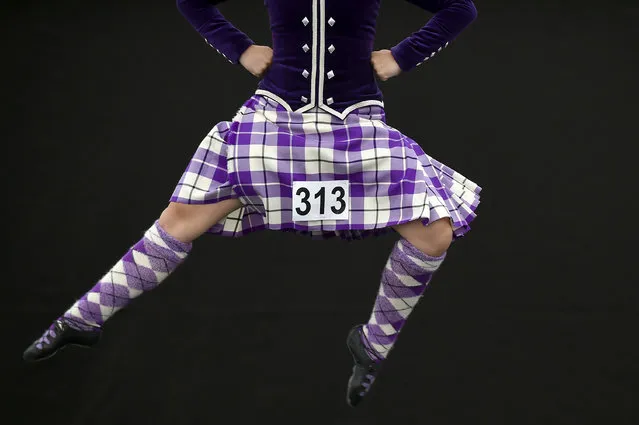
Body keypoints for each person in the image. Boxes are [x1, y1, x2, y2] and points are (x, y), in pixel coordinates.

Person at [23, 0, 480, 407]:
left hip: (355, 122)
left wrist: (400, 56)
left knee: (434, 232)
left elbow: (459, 7)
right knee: (182, 218)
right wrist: (241, 49)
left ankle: (374, 344)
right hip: (274, 116)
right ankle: (81, 319)